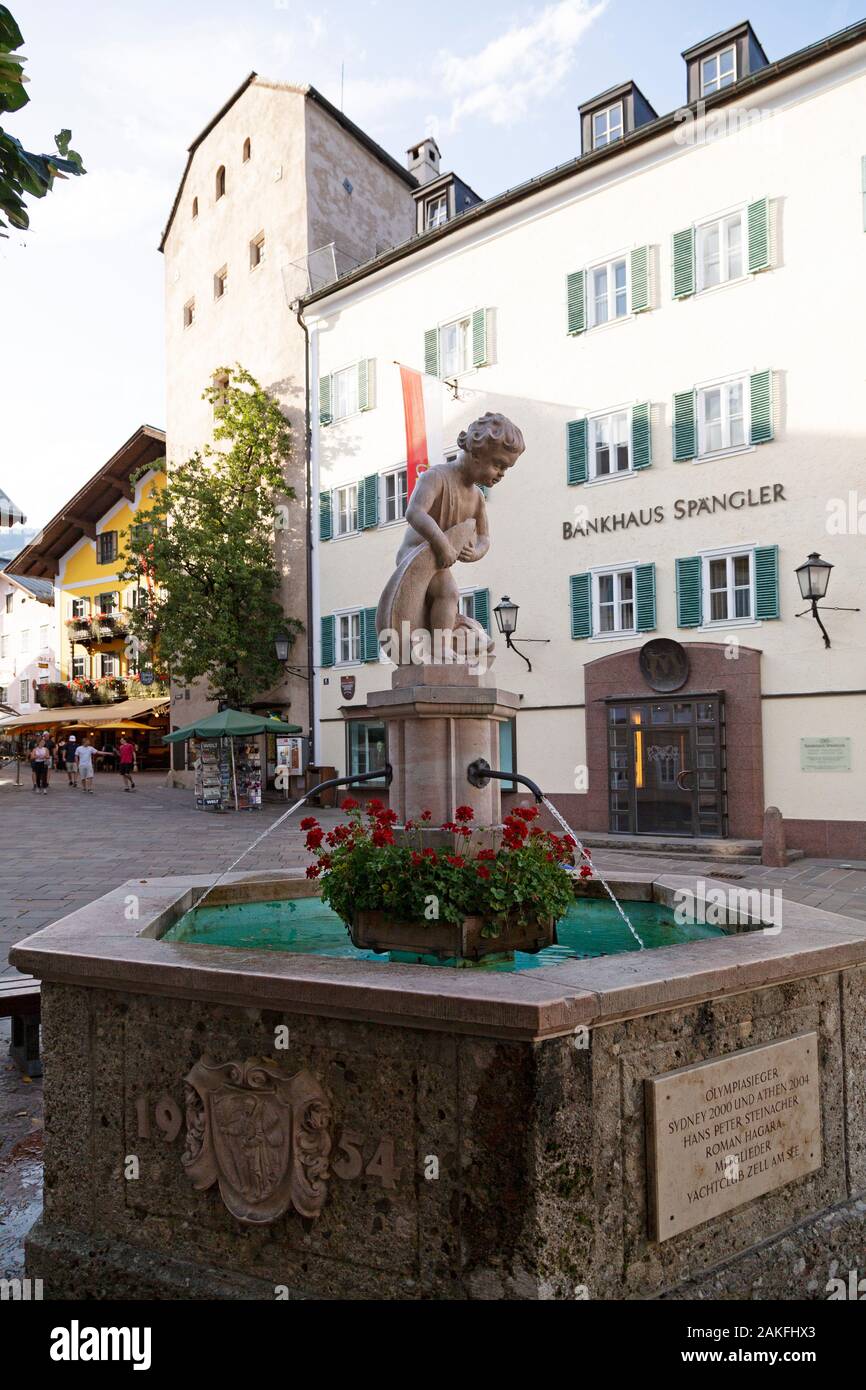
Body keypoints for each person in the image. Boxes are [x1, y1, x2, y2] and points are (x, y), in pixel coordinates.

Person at [385, 412, 526, 660]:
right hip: (414, 557)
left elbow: (485, 537)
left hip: (439, 562)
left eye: (506, 468)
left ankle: (441, 643)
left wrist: (476, 552)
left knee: (446, 595)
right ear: (476, 453)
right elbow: (415, 512)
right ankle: (439, 648)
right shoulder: (436, 477)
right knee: (447, 593)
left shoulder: (477, 498)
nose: (502, 473)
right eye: (498, 464)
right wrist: (441, 544)